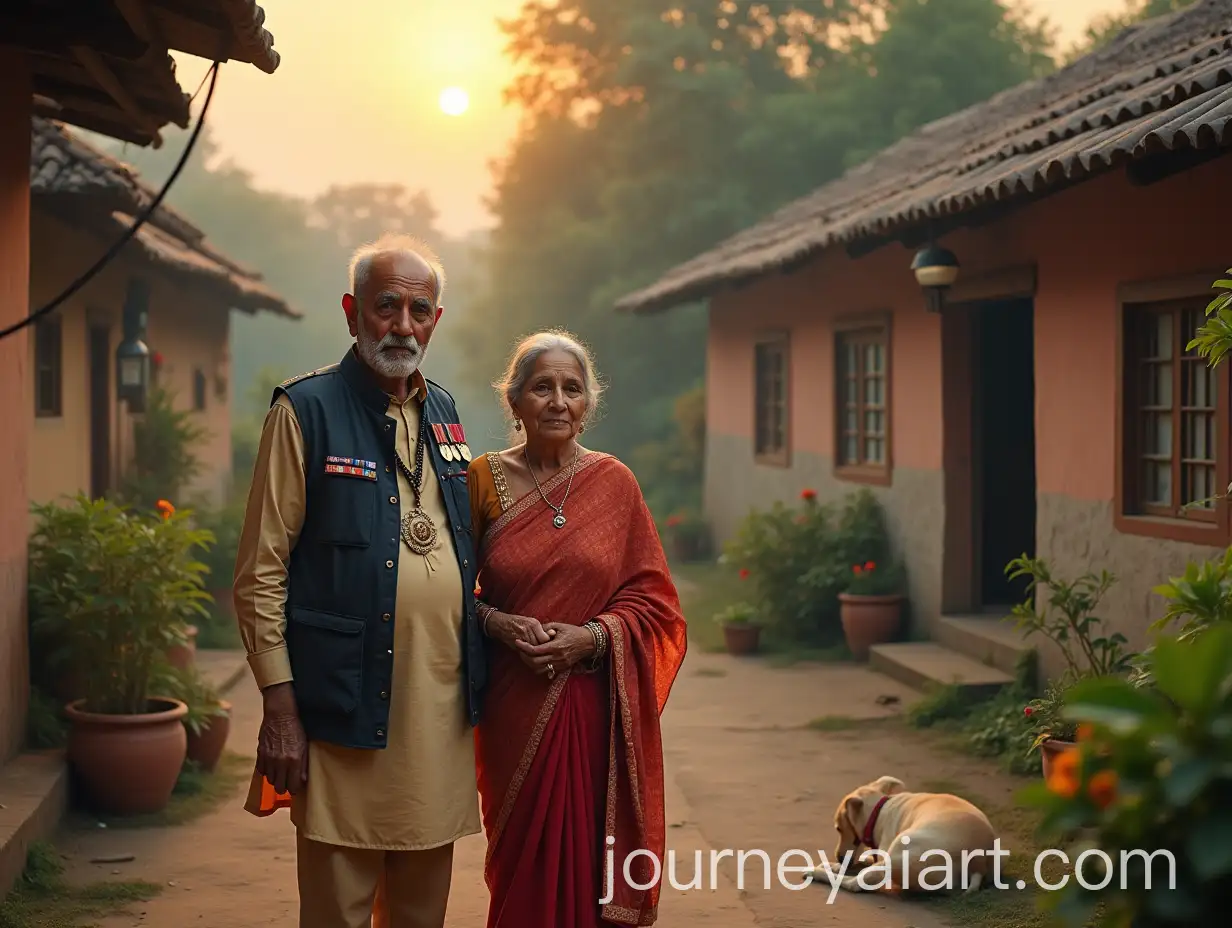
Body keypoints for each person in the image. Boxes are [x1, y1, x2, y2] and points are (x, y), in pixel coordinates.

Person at [232, 232, 486, 928]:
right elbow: (260, 575)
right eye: (386, 306)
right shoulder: (304, 411)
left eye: (420, 310)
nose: (403, 326)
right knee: (337, 913)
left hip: (437, 718)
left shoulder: (445, 412)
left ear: (437, 320)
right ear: (352, 313)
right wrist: (281, 711)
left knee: (420, 912)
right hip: (342, 710)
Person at [466, 329, 688, 927]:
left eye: (572, 388)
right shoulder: (480, 482)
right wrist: (500, 624)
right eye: (542, 387)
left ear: (588, 403)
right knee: (522, 858)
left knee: (588, 852)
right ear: (514, 402)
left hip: (592, 705)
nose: (558, 401)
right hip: (514, 701)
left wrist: (590, 639)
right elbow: (451, 594)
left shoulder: (614, 484)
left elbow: (656, 603)